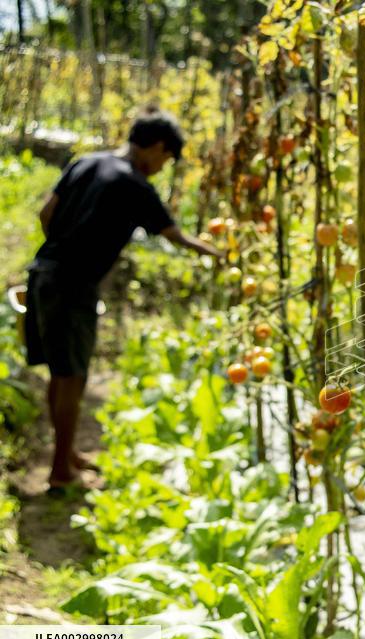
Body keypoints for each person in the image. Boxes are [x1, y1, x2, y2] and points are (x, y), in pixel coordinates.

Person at [24, 107, 223, 492]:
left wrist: (62, 250)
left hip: (43, 273)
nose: (162, 168)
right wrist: (219, 255)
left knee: (59, 372)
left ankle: (66, 454)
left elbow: (45, 213)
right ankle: (60, 472)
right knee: (72, 377)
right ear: (158, 147)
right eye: (167, 159)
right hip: (73, 287)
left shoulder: (86, 162)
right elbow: (175, 236)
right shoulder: (135, 185)